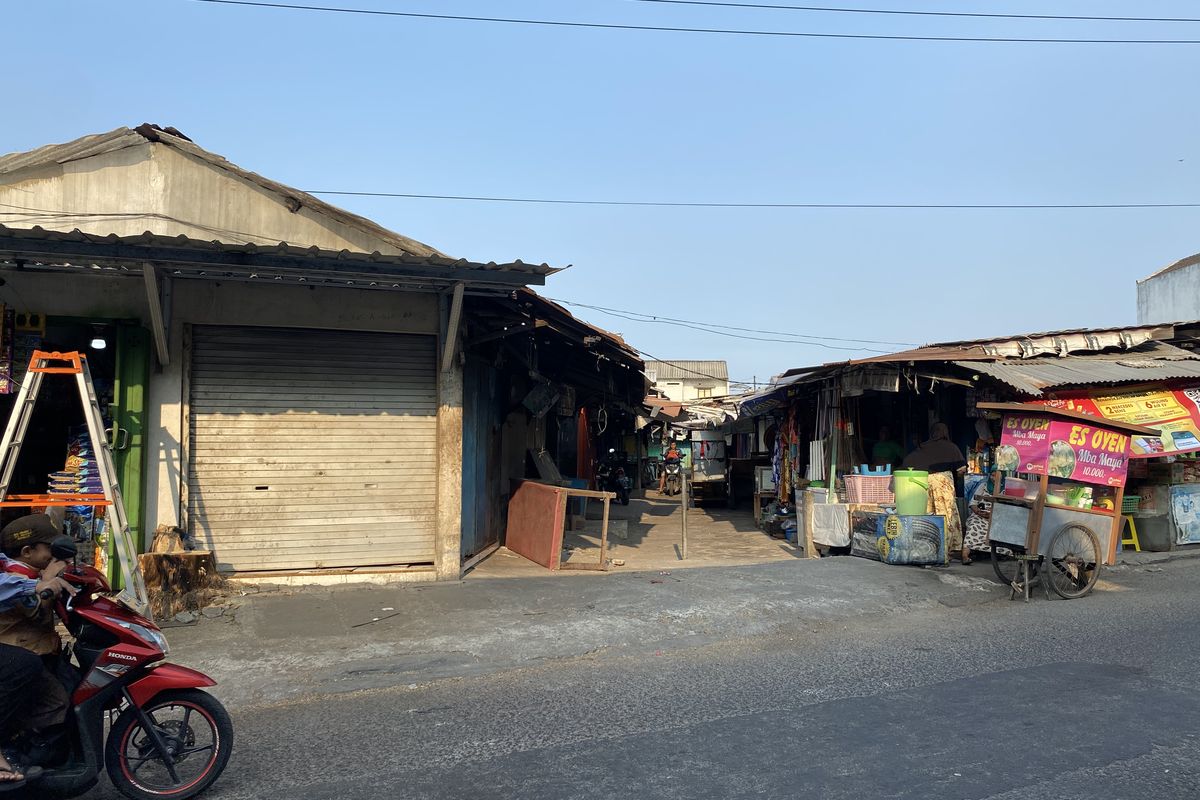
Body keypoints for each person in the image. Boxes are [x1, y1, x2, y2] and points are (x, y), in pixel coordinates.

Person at [0, 514, 76, 774]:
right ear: (26, 551)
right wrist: (49, 579)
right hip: (22, 651)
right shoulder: (15, 576)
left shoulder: (30, 572)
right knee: (57, 700)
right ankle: (27, 753)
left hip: (39, 648)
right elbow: (34, 611)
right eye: (48, 548)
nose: (52, 554)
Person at [902, 424, 971, 565]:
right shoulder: (951, 447)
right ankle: (946, 552)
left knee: (929, 514)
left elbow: (908, 461)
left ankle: (929, 550)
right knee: (946, 515)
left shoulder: (924, 447)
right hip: (943, 482)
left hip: (924, 482)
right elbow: (962, 469)